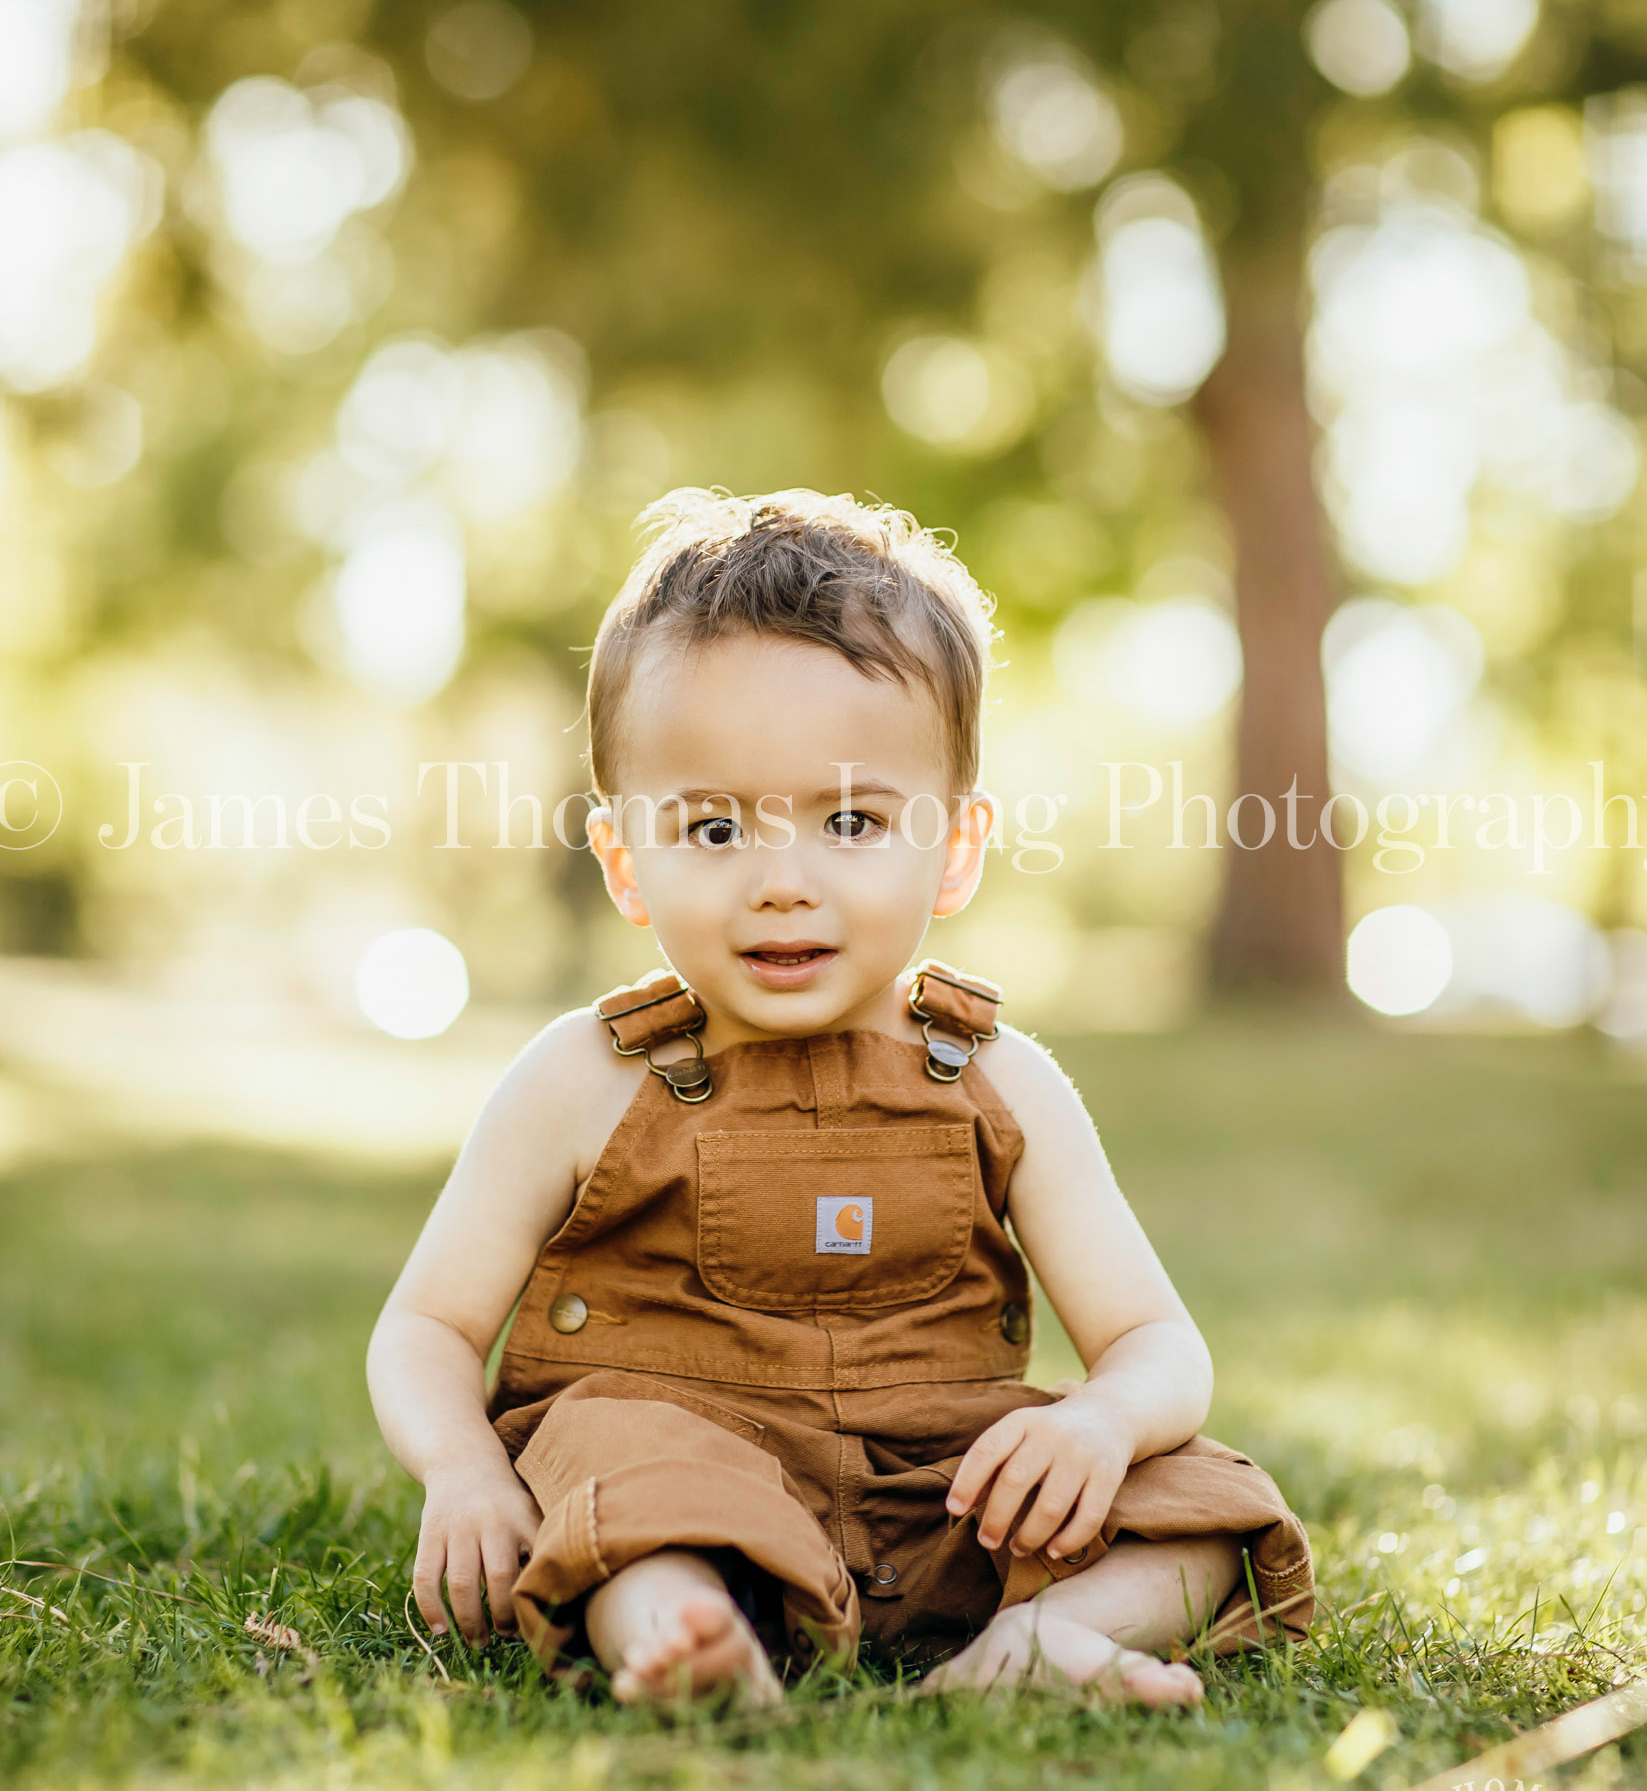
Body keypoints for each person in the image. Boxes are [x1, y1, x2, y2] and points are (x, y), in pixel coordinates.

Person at [367, 489, 1313, 1708]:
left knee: (1207, 1503)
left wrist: (1099, 1425)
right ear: (624, 864)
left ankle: (1028, 1649)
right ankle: (695, 1634)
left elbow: (1153, 1343)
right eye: (711, 829)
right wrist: (463, 1472)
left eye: (852, 820)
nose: (781, 883)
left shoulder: (995, 1081)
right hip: (689, 1476)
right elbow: (429, 1326)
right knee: (619, 1484)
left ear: (954, 849)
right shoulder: (583, 1075)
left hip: (945, 1498)